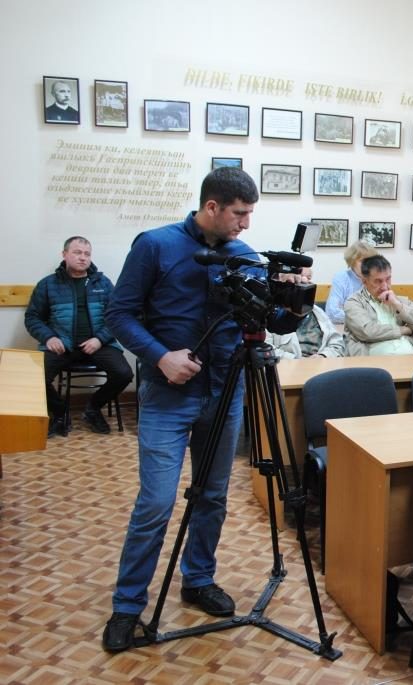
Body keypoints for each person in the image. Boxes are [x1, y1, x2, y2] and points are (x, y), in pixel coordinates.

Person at [101, 167, 304, 652]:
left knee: (212, 495)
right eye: (240, 213)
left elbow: (273, 321)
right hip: (168, 395)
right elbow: (119, 314)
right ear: (212, 207)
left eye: (250, 214)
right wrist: (160, 357)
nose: (246, 223)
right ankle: (127, 606)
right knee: (156, 503)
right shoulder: (155, 246)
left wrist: (295, 297)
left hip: (225, 391)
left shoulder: (245, 256)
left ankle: (198, 579)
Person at [24, 236, 133, 436]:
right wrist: (49, 338)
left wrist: (100, 339)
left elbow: (117, 317)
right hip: (62, 345)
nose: (83, 257)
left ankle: (93, 408)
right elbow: (32, 318)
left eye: (87, 254)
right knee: (36, 377)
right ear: (64, 254)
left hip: (99, 344)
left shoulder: (103, 283)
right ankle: (60, 413)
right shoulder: (48, 284)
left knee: (124, 373)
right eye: (77, 252)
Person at [343, 255, 413, 355]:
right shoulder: (354, 302)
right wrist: (405, 330)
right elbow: (368, 332)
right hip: (373, 361)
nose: (385, 286)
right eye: (378, 281)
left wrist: (397, 305)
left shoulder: (401, 301)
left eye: (388, 279)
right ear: (364, 281)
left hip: (411, 358)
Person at [325, 240, 378, 325]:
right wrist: (363, 317)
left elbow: (382, 312)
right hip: (343, 328)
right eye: (362, 261)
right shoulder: (341, 278)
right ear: (352, 261)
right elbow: (332, 313)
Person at [266, 304, 345, 359]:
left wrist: (323, 356)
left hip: (320, 366)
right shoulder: (272, 314)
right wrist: (297, 360)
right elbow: (267, 350)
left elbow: (337, 345)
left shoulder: (317, 312)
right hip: (288, 368)